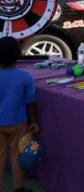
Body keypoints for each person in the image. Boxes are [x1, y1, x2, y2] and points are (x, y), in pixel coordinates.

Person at [0, 37, 39, 192]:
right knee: (17, 156)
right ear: (18, 54)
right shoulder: (25, 77)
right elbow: (31, 101)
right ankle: (18, 188)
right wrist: (33, 121)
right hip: (19, 122)